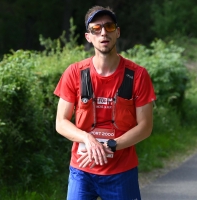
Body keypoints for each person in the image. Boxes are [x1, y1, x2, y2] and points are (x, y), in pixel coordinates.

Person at [54, 5, 156, 200]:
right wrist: (87, 139)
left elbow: (145, 126)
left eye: (109, 27)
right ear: (88, 36)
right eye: (96, 29)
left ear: (117, 32)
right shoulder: (75, 73)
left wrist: (111, 145)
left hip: (121, 172)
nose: (103, 33)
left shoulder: (137, 75)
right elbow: (61, 122)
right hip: (82, 170)